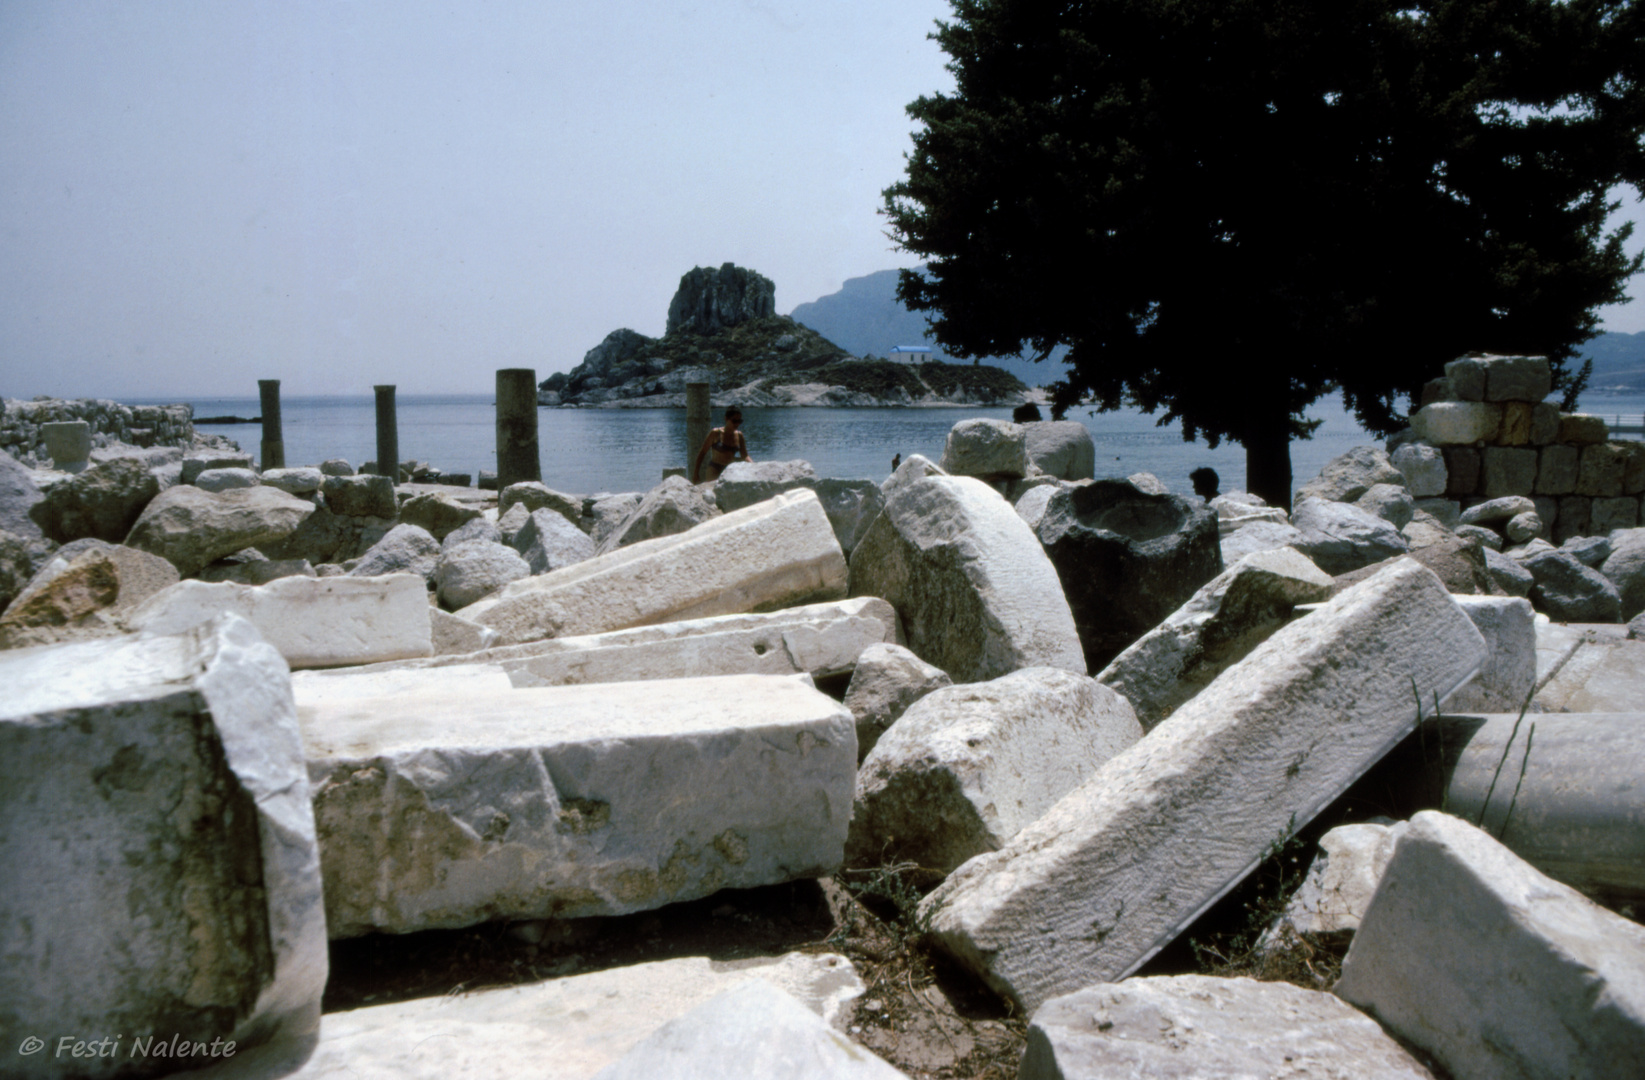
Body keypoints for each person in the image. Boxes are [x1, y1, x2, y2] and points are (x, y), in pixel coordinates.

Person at [692, 407, 752, 483]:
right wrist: (696, 473)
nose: (737, 424)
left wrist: (755, 466)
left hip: (729, 470)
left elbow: (744, 455)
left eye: (739, 421)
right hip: (714, 469)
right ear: (726, 419)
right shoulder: (716, 433)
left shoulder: (739, 435)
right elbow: (702, 453)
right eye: (734, 421)